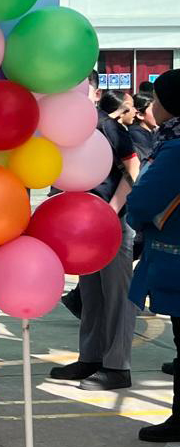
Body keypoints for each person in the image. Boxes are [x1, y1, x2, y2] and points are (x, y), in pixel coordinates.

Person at [49, 84, 141, 390]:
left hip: (113, 223)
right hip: (83, 227)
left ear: (95, 93)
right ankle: (90, 357)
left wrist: (112, 210)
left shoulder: (107, 126)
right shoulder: (62, 131)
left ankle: (117, 366)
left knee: (117, 297)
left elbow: (133, 166)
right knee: (91, 295)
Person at [129, 70, 180, 447]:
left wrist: (137, 214)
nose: (151, 106)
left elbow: (143, 200)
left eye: (157, 99)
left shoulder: (175, 148)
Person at [129, 92, 158, 163]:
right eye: (154, 109)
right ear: (140, 115)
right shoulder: (135, 134)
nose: (158, 112)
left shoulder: (153, 131)